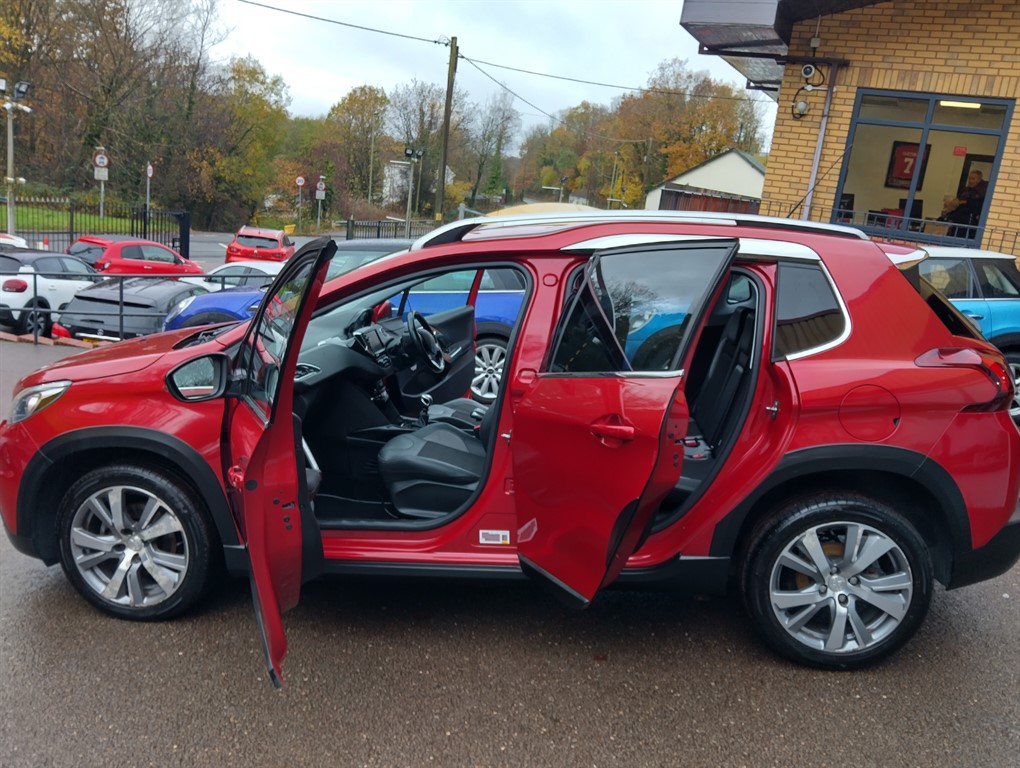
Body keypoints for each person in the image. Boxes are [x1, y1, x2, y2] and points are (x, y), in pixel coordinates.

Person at [940, 169, 988, 238]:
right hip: (958, 223)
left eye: (973, 179)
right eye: (969, 178)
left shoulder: (982, 193)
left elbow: (972, 207)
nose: (970, 181)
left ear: (979, 180)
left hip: (969, 225)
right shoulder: (965, 191)